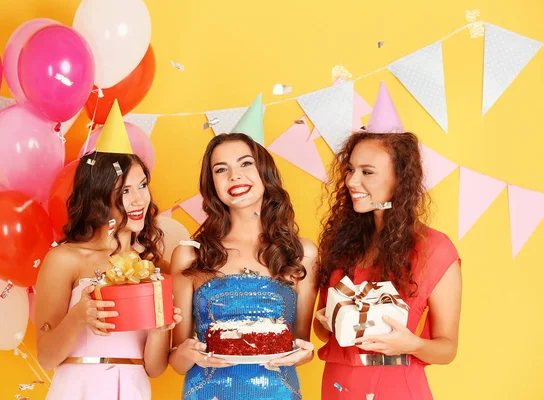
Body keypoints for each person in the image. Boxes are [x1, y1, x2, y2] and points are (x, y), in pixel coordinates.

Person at [314, 82, 462, 400]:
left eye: (367, 172)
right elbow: (322, 330)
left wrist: (413, 344)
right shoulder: (341, 246)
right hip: (336, 388)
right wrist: (329, 320)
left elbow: (447, 349)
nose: (352, 181)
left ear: (400, 178)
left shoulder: (435, 250)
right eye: (350, 170)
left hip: (395, 387)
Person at [36, 101, 181, 399]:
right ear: (99, 199)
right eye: (125, 192)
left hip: (133, 389)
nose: (139, 200)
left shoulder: (155, 267)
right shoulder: (66, 259)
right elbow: (47, 357)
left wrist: (159, 330)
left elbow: (154, 368)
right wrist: (79, 315)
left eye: (142, 186)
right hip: (78, 389)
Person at [169, 133, 318, 399]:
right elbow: (177, 361)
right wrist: (188, 353)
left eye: (245, 163)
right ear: (212, 184)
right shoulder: (191, 255)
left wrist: (305, 353)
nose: (234, 176)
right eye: (221, 169)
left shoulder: (301, 253)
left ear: (265, 172)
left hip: (278, 393)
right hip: (207, 392)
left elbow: (301, 348)